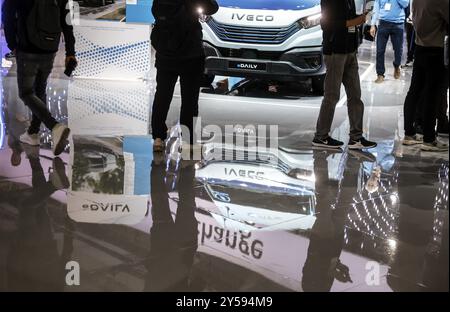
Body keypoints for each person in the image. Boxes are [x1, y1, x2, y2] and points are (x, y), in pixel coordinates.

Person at [3, 0, 77, 156]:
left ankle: (55, 127)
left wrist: (12, 45)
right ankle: (33, 133)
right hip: (50, 48)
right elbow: (68, 21)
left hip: (27, 47)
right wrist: (71, 52)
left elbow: (8, 14)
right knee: (39, 90)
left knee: (26, 92)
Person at [151, 0, 219, 153]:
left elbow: (155, 11)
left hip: (165, 53)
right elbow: (212, 7)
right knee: (189, 99)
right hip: (191, 55)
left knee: (162, 95)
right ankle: (188, 142)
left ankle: (158, 138)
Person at [312, 0, 377, 150]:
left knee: (355, 95)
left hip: (350, 51)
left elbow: (347, 18)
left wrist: (360, 18)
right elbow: (327, 24)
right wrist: (356, 21)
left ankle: (356, 137)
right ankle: (321, 136)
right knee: (332, 95)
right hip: (335, 51)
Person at [402, 0, 449, 152]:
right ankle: (429, 139)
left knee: (414, 92)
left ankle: (409, 133)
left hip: (420, 47)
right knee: (432, 95)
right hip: (435, 50)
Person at [370, 0, 410, 83]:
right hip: (383, 23)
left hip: (398, 23)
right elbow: (376, 7)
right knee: (380, 50)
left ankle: (396, 65)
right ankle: (380, 74)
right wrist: (373, 24)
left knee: (398, 49)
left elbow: (406, 4)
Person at [402, 4, 415, 68]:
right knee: (409, 39)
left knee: (416, 40)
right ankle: (409, 59)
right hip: (408, 20)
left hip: (418, 20)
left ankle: (414, 58)